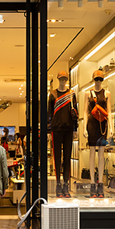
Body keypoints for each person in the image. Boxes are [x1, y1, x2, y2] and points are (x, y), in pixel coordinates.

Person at [48, 70, 77, 198]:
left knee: (67, 158)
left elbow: (75, 112)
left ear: (67, 80)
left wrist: (75, 129)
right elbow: (49, 114)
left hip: (69, 128)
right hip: (56, 128)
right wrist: (49, 130)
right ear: (58, 79)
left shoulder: (71, 94)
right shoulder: (52, 94)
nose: (63, 81)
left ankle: (66, 185)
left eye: (65, 79)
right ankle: (58, 185)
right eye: (61, 79)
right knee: (57, 158)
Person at [84, 69, 112, 198]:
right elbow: (85, 112)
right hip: (91, 125)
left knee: (101, 154)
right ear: (93, 79)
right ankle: (91, 183)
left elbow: (109, 112)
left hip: (102, 126)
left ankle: (100, 183)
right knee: (91, 153)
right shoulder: (87, 94)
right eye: (96, 79)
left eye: (101, 79)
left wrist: (111, 127)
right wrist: (84, 128)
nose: (98, 81)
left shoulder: (107, 93)